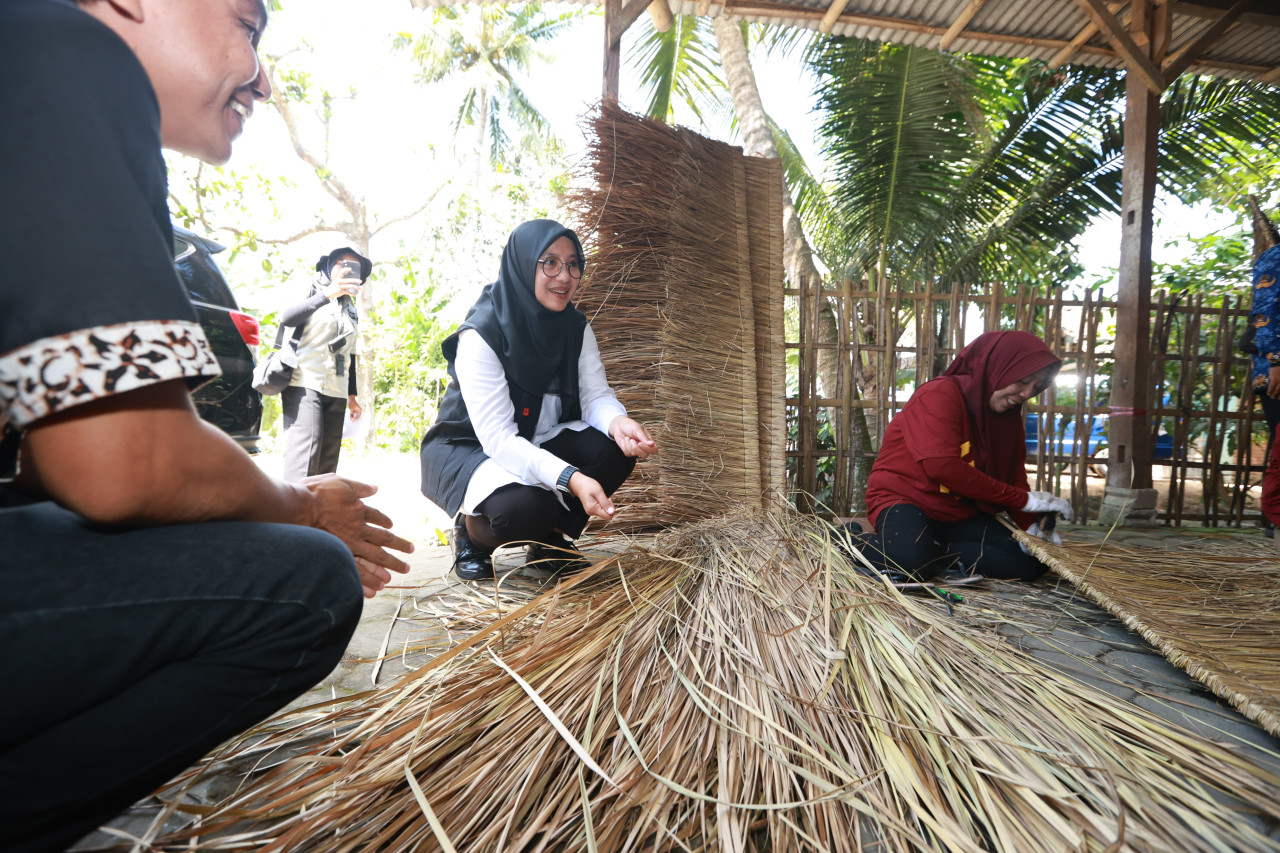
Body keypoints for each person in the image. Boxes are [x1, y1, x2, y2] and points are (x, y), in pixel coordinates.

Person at [0, 2, 413, 850]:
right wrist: (298, 504)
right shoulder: (67, 52)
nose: (262, 76)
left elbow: (47, 462)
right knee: (307, 582)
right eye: (246, 25)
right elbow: (120, 463)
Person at [420, 219, 657, 580]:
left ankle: (548, 541)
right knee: (526, 507)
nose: (564, 276)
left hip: (534, 436)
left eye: (573, 263)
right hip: (472, 447)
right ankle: (471, 534)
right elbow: (498, 438)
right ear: (522, 264)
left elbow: (595, 396)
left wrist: (617, 422)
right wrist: (571, 477)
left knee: (613, 450)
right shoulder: (482, 334)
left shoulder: (574, 327)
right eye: (549, 262)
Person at [840, 330, 1073, 582]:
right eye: (1023, 381)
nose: (1028, 393)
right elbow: (942, 467)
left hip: (957, 510)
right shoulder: (939, 395)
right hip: (905, 498)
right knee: (909, 566)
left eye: (1036, 386)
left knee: (1032, 562)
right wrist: (1025, 500)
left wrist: (1032, 529)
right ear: (997, 369)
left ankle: (932, 554)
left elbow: (1012, 476)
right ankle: (844, 538)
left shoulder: (1007, 417)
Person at [280, 247, 370, 482]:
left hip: (337, 390)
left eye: (354, 265)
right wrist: (326, 295)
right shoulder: (312, 288)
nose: (348, 268)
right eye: (342, 262)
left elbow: (349, 353)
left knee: (327, 465)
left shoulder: (350, 307)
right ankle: (291, 516)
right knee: (304, 459)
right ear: (329, 265)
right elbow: (288, 317)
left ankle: (316, 518)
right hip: (305, 383)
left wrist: (352, 396)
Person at [1245, 244, 1280, 533]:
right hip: (1276, 370)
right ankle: (1275, 521)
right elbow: (1265, 313)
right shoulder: (1275, 257)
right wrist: (1277, 360)